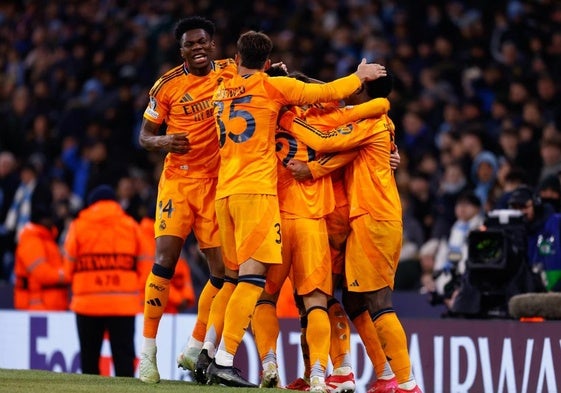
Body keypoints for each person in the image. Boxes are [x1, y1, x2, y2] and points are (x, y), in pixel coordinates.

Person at [205, 30, 387, 390]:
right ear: (269, 64)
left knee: (256, 293)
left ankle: (258, 359)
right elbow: (330, 96)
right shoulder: (307, 113)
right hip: (300, 216)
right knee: (314, 301)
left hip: (235, 196)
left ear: (239, 60)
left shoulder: (224, 91)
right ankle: (323, 373)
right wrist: (370, 93)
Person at [279, 73, 422, 392]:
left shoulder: (370, 120)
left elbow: (327, 141)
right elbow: (331, 96)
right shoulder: (368, 116)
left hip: (368, 217)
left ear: (364, 92)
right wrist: (295, 77)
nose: (349, 88)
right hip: (360, 217)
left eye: (357, 85)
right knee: (353, 302)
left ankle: (405, 383)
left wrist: (287, 118)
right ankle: (379, 376)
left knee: (374, 301)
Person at [137, 16, 238, 383]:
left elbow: (267, 79)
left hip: (215, 184)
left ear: (212, 45)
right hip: (178, 184)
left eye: (202, 42)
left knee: (225, 273)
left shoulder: (230, 70)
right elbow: (145, 136)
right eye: (189, 44)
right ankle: (147, 353)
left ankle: (195, 348)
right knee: (164, 262)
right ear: (181, 50)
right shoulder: (166, 86)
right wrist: (164, 141)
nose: (197, 48)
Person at [63, 185, 152, 377]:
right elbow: (146, 263)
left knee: (89, 358)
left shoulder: (78, 226)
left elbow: (68, 264)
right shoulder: (130, 226)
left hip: (87, 303)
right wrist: (132, 288)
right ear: (115, 202)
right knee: (124, 358)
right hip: (122, 303)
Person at [13, 182, 70, 310]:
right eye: (50, 218)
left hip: (50, 305)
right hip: (36, 306)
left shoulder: (46, 239)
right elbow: (42, 273)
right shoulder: (31, 240)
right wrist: (66, 275)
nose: (53, 221)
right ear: (42, 220)